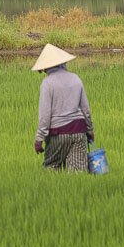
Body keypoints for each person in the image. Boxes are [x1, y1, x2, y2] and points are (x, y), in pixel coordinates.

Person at [32, 44, 93, 173]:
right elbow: (85, 110)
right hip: (79, 130)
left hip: (57, 133)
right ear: (63, 62)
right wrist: (90, 130)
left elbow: (45, 115)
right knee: (78, 173)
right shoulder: (76, 78)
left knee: (52, 169)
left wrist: (39, 138)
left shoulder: (47, 83)